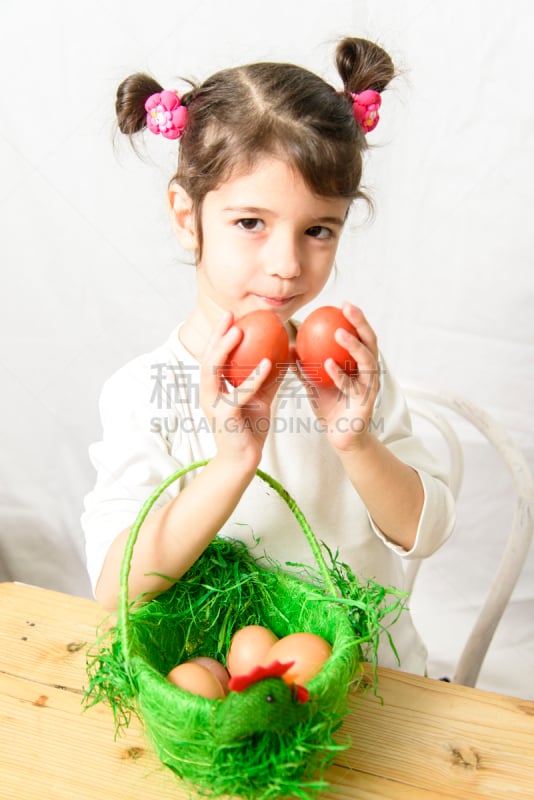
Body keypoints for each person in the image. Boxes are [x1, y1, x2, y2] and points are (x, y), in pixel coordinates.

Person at [82, 37, 455, 674]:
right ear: (186, 215)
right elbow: (120, 583)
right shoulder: (145, 391)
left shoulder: (345, 365)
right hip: (236, 693)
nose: (287, 266)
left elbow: (424, 531)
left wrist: (356, 444)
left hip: (376, 679)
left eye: (318, 230)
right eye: (251, 223)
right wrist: (232, 463)